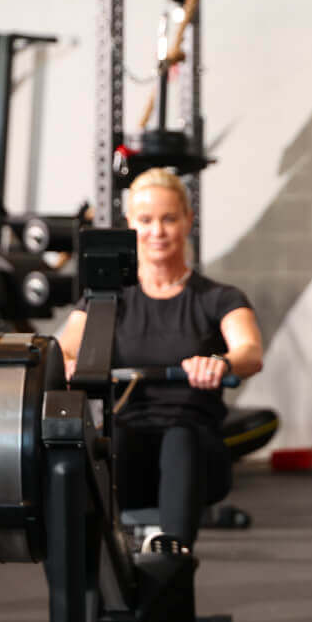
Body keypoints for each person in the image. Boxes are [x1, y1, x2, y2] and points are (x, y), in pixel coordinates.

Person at [59, 167, 264, 548]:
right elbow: (68, 345)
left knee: (180, 438)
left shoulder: (218, 298)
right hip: (129, 449)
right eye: (146, 220)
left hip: (197, 453)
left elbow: (250, 351)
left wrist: (222, 362)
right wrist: (69, 363)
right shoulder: (106, 299)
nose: (157, 231)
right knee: (91, 451)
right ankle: (92, 584)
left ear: (188, 221)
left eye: (169, 219)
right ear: (130, 225)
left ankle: (173, 568)